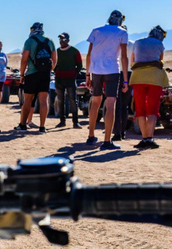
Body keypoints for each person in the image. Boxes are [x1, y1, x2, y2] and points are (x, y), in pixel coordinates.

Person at [84, 10, 129, 149]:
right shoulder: (122, 32)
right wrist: (126, 80)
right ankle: (107, 141)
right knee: (110, 104)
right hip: (112, 71)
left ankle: (91, 136)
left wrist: (87, 74)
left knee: (95, 102)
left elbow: (89, 55)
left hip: (96, 71)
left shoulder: (96, 31)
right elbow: (123, 57)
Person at [130, 25, 169, 149]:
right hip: (155, 79)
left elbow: (133, 61)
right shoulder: (159, 44)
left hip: (138, 78)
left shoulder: (137, 42)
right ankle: (150, 138)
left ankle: (144, 138)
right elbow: (160, 62)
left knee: (140, 109)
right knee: (152, 109)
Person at [15, 22, 56, 133]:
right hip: (45, 75)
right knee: (43, 101)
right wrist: (48, 70)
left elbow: (24, 59)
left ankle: (23, 125)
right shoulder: (50, 41)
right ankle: (42, 127)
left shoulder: (30, 41)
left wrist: (22, 74)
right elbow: (55, 60)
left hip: (32, 74)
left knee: (27, 100)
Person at [54, 32, 83, 128]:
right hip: (59, 79)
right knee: (60, 100)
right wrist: (56, 71)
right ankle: (62, 121)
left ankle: (75, 121)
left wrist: (74, 74)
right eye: (60, 39)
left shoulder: (74, 51)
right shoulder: (57, 51)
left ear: (68, 40)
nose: (61, 41)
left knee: (72, 100)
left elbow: (79, 65)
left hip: (70, 79)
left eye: (63, 39)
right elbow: (53, 63)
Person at [113, 25, 135, 141]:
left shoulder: (115, 44)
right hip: (130, 74)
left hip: (117, 73)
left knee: (117, 104)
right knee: (125, 105)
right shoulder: (133, 44)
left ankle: (117, 132)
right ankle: (122, 132)